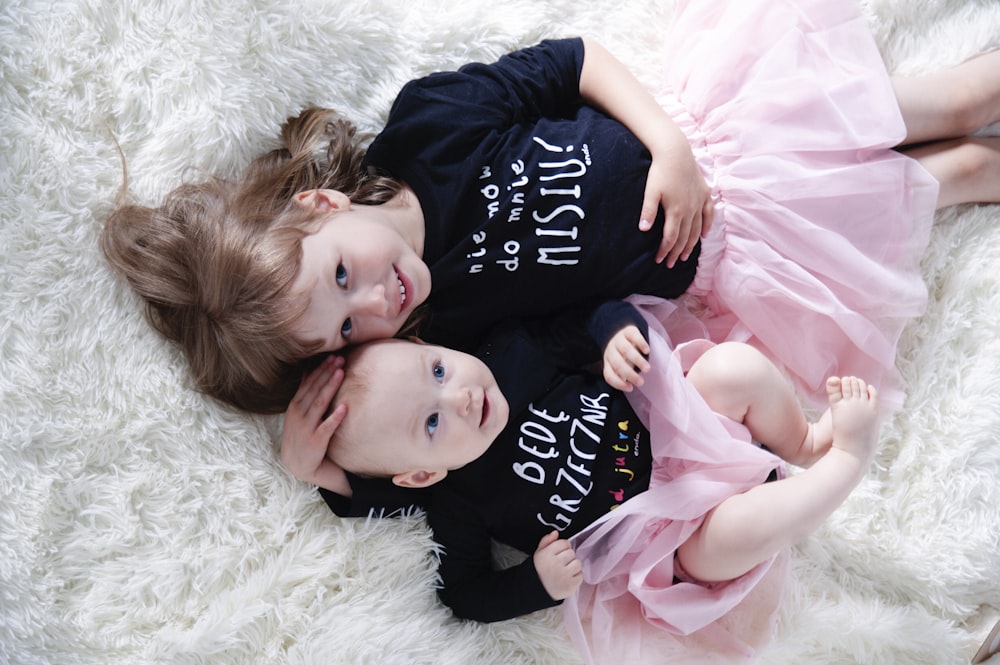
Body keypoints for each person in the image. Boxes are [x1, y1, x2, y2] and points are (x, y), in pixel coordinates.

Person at [101, 0, 1000, 420]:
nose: (373, 304)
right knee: (948, 177)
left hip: (724, 137)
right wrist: (319, 462)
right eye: (342, 331)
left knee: (953, 103)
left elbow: (572, 61)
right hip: (743, 248)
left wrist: (673, 147)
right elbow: (444, 451)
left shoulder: (428, 127)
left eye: (342, 273)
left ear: (323, 201)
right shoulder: (446, 326)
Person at [312, 296, 882, 664]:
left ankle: (803, 443)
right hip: (663, 533)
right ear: (421, 473)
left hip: (678, 424)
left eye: (437, 370)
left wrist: (615, 336)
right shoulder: (455, 501)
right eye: (432, 422)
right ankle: (844, 464)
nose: (458, 395)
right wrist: (534, 583)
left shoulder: (508, 353)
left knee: (731, 369)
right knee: (728, 540)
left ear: (426, 345)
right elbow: (462, 596)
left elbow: (589, 314)